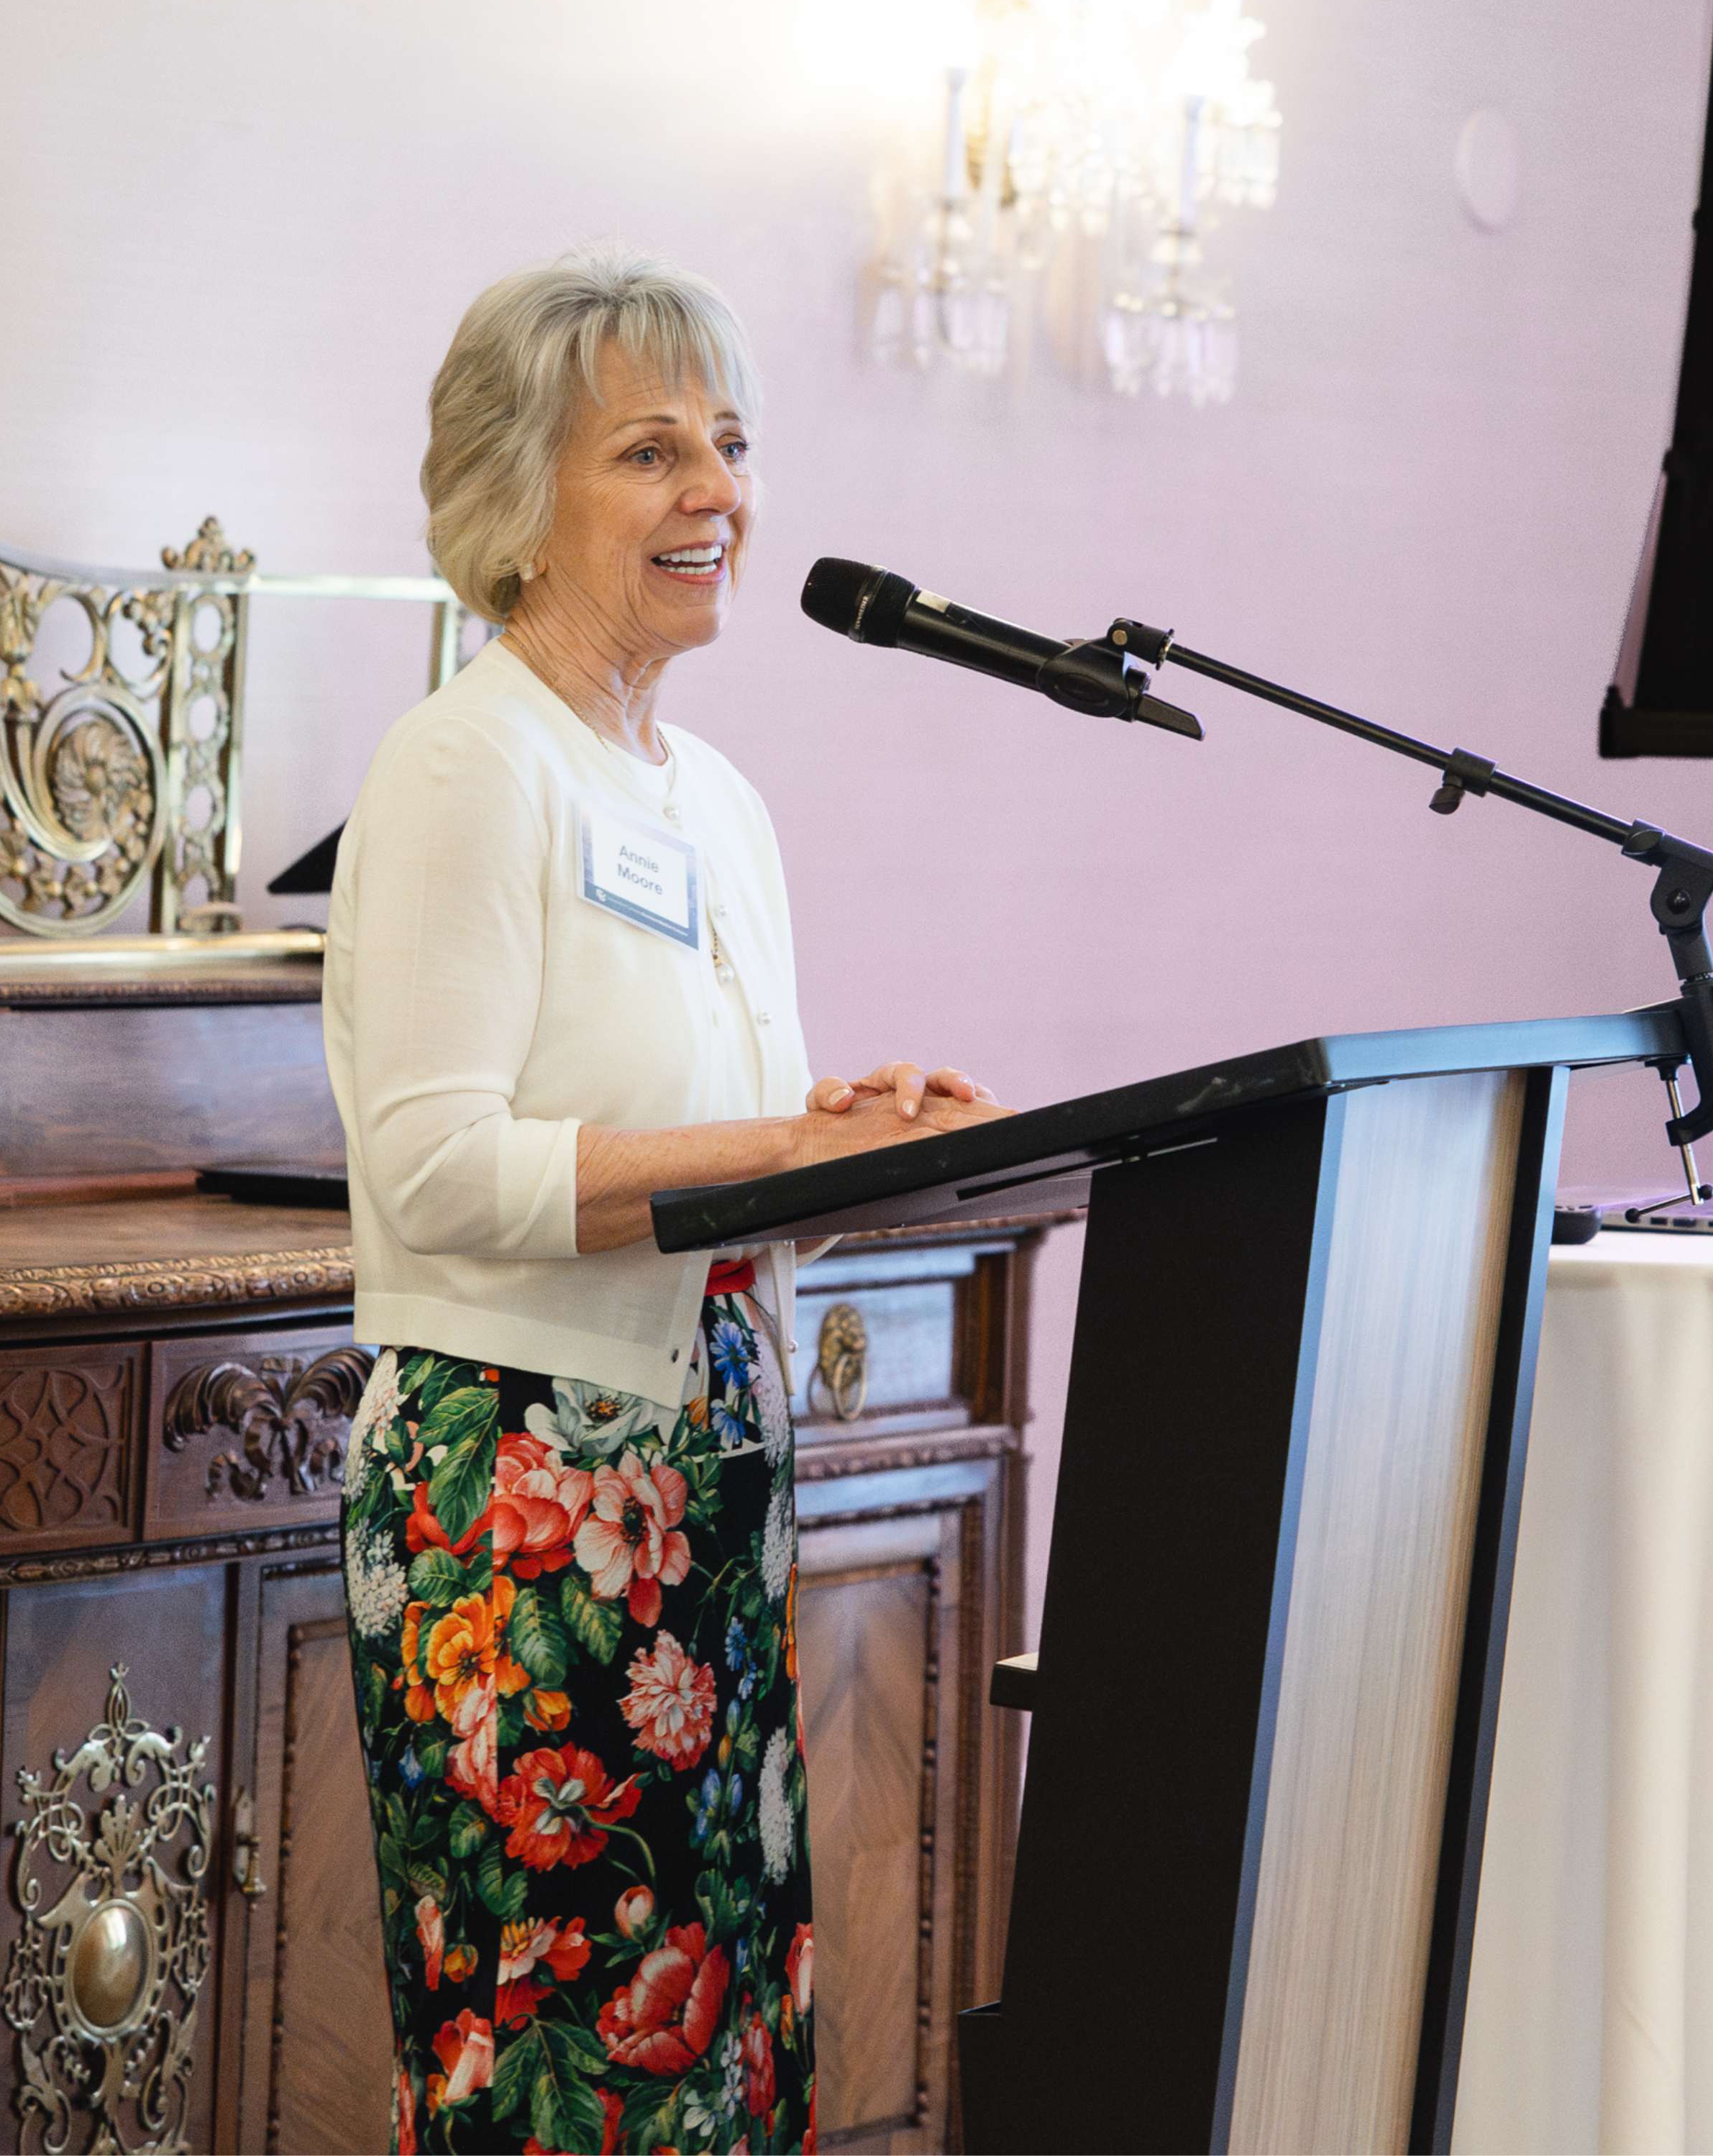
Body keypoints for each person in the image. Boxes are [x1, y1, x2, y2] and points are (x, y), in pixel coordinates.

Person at [324, 247, 1008, 2156]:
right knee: (557, 2048)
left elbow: (706, 1164)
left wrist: (844, 1139)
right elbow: (439, 1168)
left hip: (705, 1462)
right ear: (518, 504)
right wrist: (759, 1155)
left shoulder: (715, 800)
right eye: (652, 451)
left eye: (732, 442)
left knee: (717, 2047)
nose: (719, 492)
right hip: (525, 1494)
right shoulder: (468, 768)